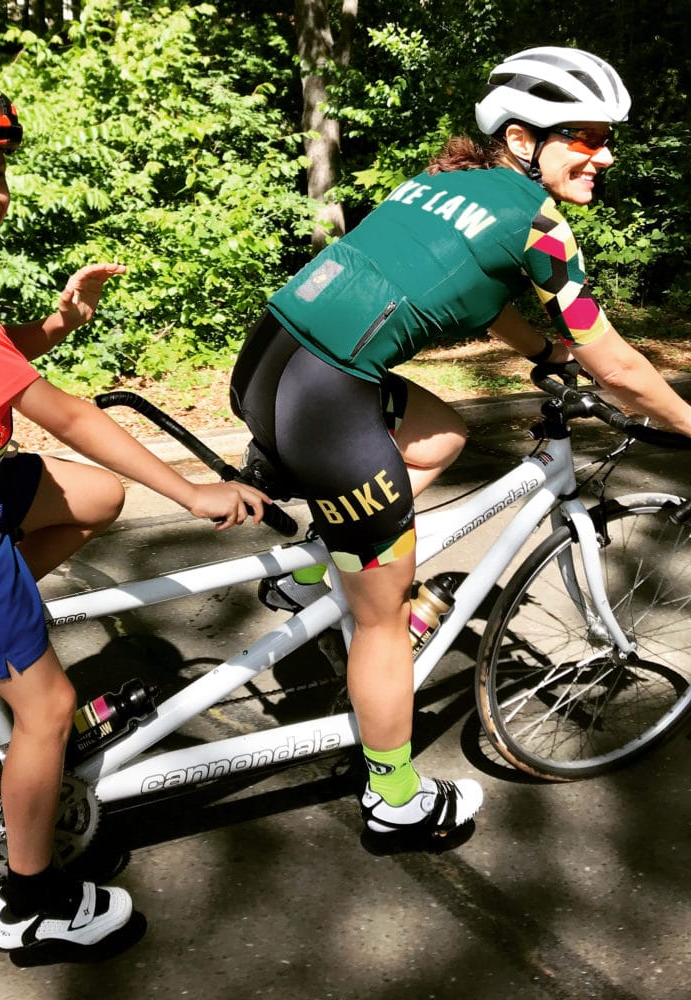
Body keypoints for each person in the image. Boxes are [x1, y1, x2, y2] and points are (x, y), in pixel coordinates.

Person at [0, 68, 269, 955]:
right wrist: (192, 489)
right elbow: (59, 411)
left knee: (98, 496)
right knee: (49, 709)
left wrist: (55, 326)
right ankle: (30, 905)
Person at [230, 46, 691, 840]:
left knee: (440, 437)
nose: (604, 154)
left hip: (269, 361)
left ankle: (313, 578)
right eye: (584, 135)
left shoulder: (441, 186)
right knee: (384, 621)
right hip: (330, 399)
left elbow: (480, 303)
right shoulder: (540, 225)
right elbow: (614, 360)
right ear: (522, 138)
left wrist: (542, 354)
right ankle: (395, 799)